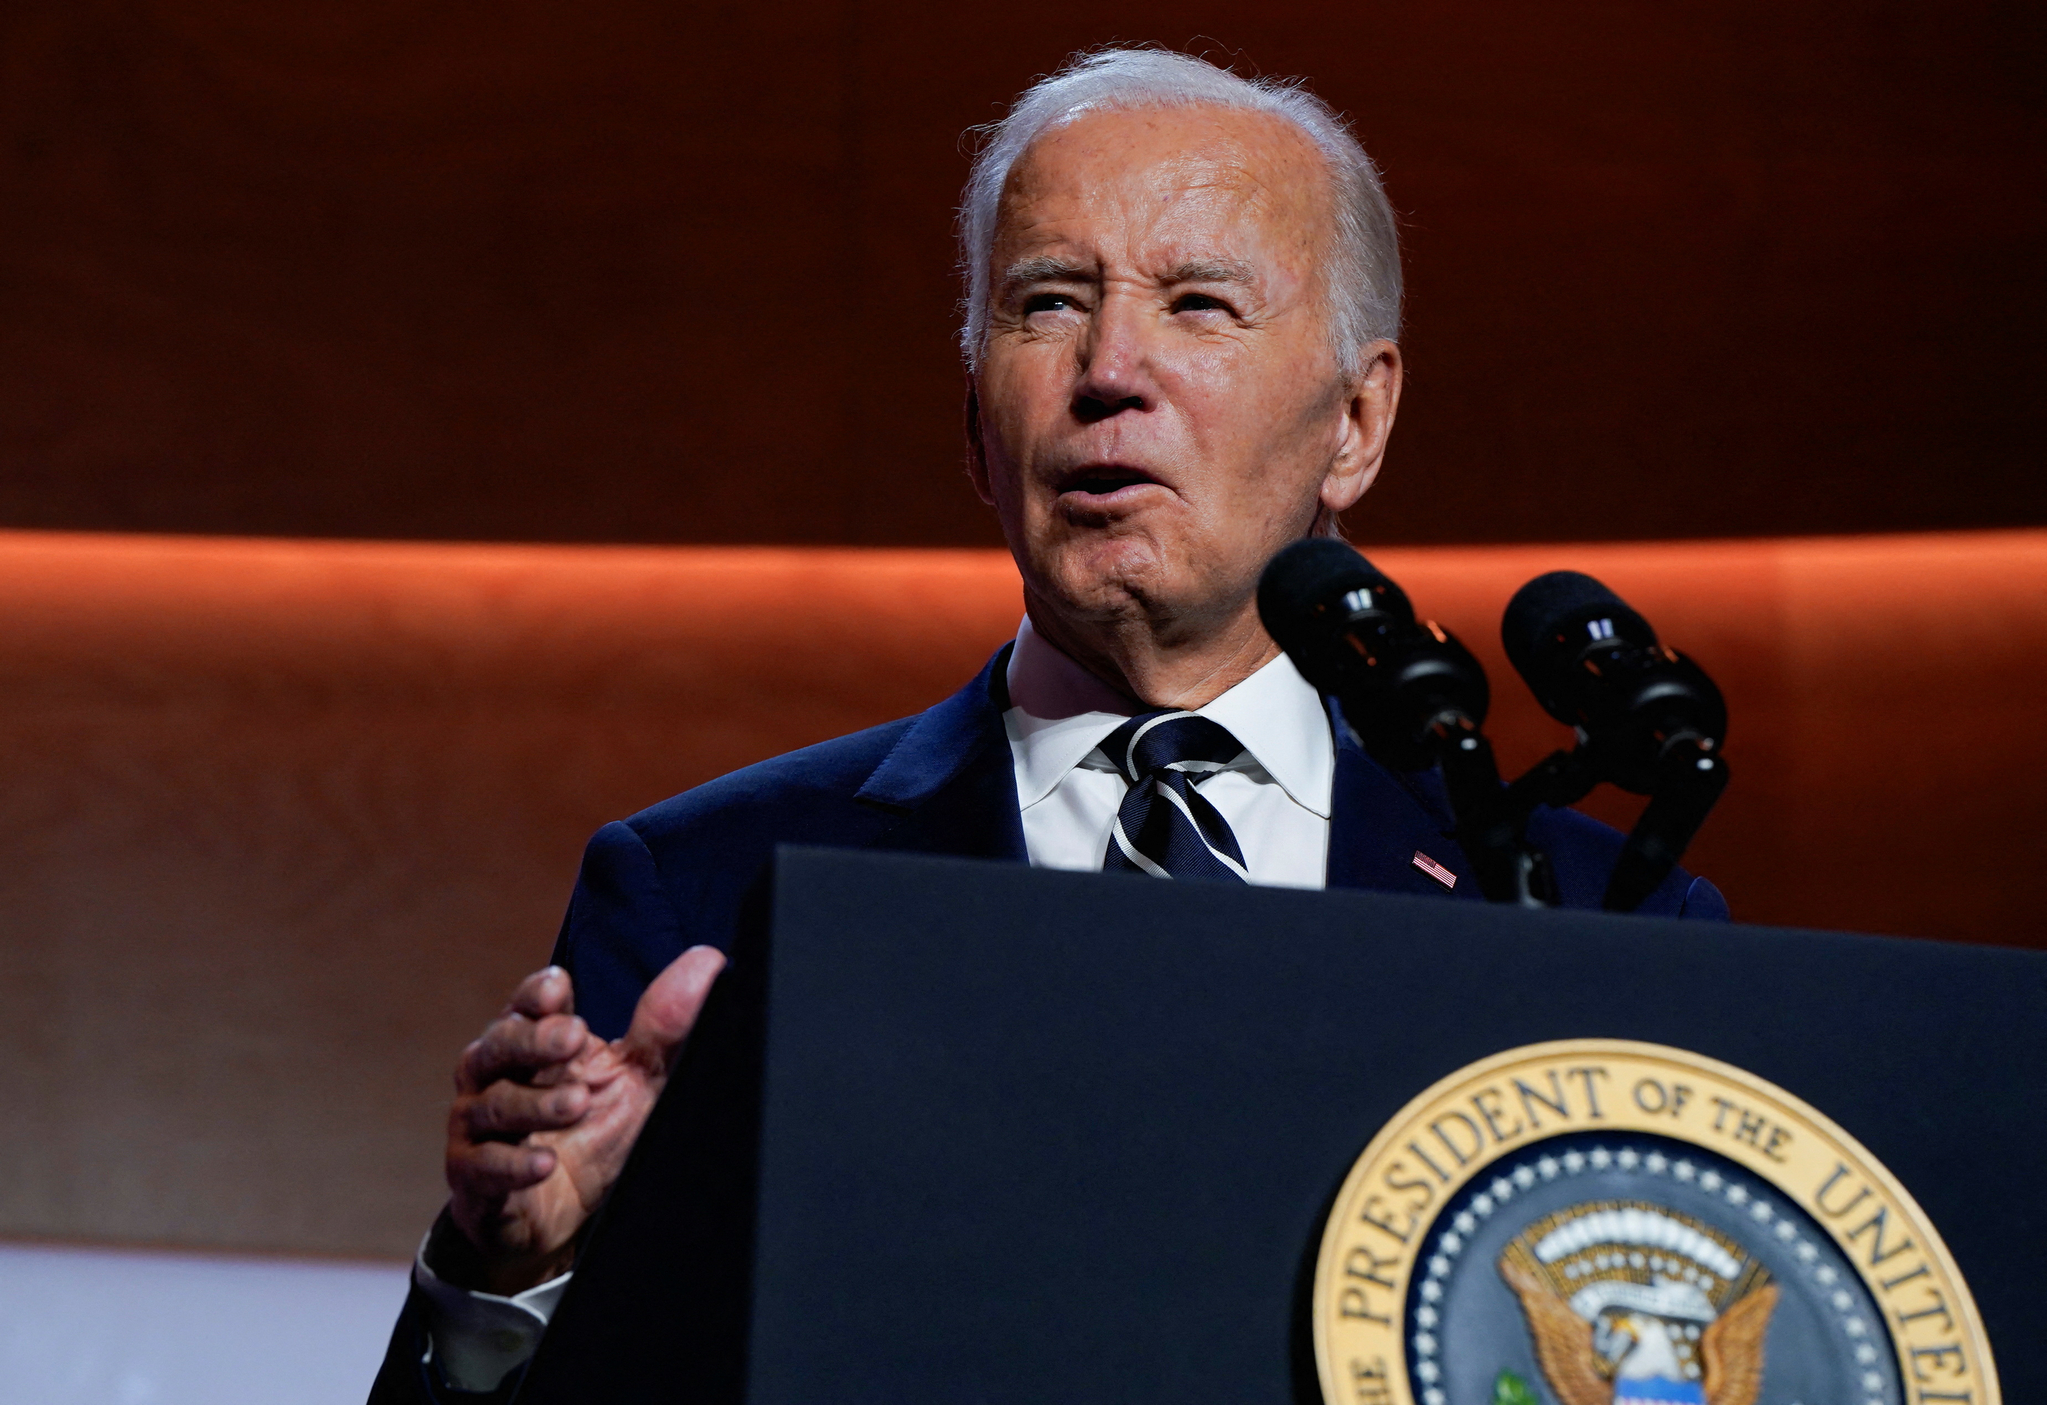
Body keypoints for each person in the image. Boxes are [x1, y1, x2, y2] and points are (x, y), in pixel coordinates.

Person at [370, 47, 1726, 1402]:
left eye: (1198, 303)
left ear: (1356, 421)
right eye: (1047, 303)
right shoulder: (707, 889)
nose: (1108, 371)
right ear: (975, 419)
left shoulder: (1602, 922)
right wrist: (514, 1285)